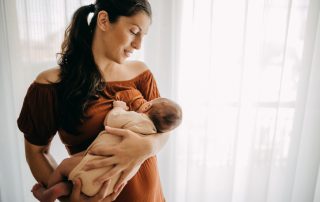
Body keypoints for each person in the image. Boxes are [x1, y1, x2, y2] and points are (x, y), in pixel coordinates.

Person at [17, 0, 173, 201]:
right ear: (104, 20)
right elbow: (36, 152)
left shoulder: (141, 74)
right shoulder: (50, 85)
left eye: (143, 36)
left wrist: (147, 147)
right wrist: (70, 197)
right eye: (134, 31)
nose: (138, 45)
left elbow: (164, 129)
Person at [31, 94, 182, 201]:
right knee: (77, 184)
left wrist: (119, 107)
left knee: (65, 165)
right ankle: (59, 190)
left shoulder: (137, 119)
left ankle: (48, 193)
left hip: (95, 170)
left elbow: (112, 120)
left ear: (147, 106)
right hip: (110, 185)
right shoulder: (153, 134)